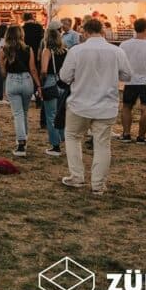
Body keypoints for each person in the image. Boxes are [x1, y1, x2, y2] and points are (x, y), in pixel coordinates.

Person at [59, 18, 132, 194]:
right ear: (103, 31)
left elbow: (64, 77)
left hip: (79, 104)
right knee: (102, 144)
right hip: (106, 105)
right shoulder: (116, 51)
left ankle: (76, 176)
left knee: (73, 137)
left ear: (84, 32)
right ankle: (98, 184)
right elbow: (127, 75)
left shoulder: (77, 51)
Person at [0, 25, 40, 157]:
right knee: (24, 111)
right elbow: (33, 69)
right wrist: (38, 85)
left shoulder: (4, 50)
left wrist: (3, 62)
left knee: (17, 113)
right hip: (27, 79)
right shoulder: (28, 49)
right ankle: (24, 138)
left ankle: (21, 143)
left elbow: (3, 73)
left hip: (12, 80)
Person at [118, 18, 146, 144]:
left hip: (130, 79)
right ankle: (141, 136)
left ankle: (126, 134)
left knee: (126, 107)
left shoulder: (124, 45)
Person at [40, 22, 67, 157]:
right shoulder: (65, 51)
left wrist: (40, 84)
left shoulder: (47, 51)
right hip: (63, 82)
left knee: (51, 115)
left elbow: (44, 70)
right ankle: (63, 138)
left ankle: (55, 145)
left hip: (51, 82)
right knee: (61, 113)